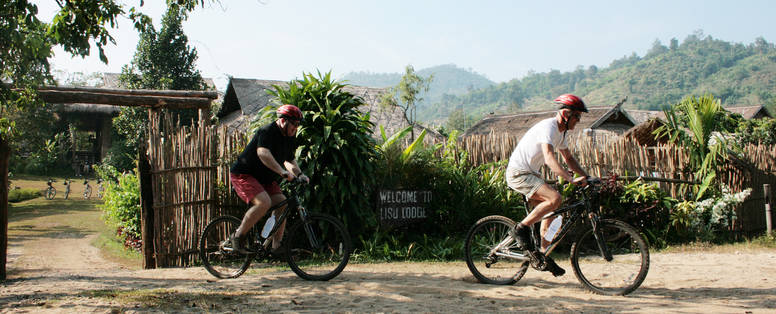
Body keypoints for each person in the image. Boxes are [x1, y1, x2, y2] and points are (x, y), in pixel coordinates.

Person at [506, 93, 590, 277]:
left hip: (531, 174)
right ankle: (520, 229)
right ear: (566, 114)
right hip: (519, 173)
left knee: (551, 212)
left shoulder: (561, 133)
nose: (578, 120)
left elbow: (568, 158)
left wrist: (587, 177)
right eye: (577, 116)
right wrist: (569, 179)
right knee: (555, 198)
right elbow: (549, 156)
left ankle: (543, 255)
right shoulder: (549, 127)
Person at [228, 104, 310, 254]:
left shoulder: (289, 138)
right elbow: (263, 153)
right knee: (264, 202)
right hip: (244, 174)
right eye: (294, 124)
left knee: (282, 204)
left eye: (298, 125)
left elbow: (290, 160)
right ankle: (238, 236)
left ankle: (276, 247)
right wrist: (282, 172)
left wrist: (300, 175)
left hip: (264, 179)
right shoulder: (267, 131)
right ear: (284, 121)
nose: (296, 128)